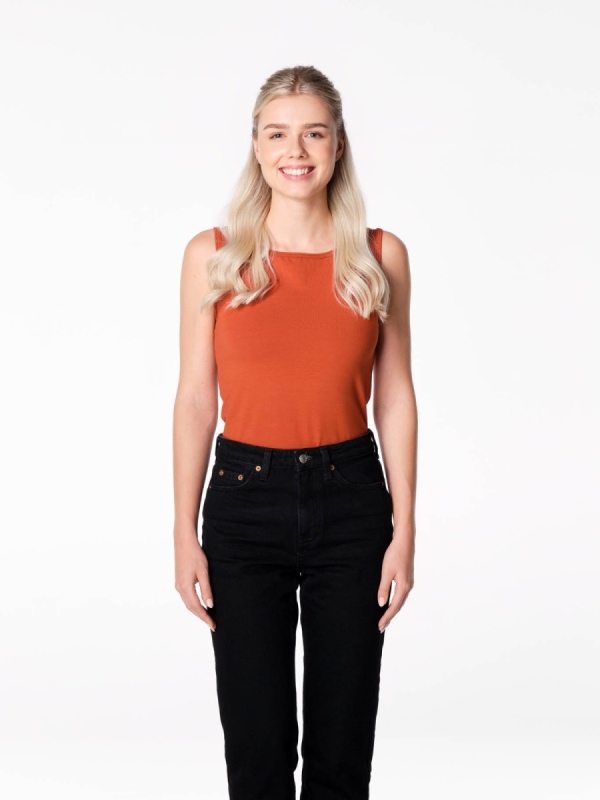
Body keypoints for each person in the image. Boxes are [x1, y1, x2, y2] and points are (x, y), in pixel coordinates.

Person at [172, 65, 417, 800]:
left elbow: (395, 396)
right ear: (255, 145)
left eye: (314, 133)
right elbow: (195, 400)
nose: (296, 151)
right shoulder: (214, 256)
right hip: (243, 506)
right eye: (278, 134)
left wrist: (405, 528)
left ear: (338, 145)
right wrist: (183, 530)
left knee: (343, 750)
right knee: (257, 750)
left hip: (352, 504)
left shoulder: (379, 256)